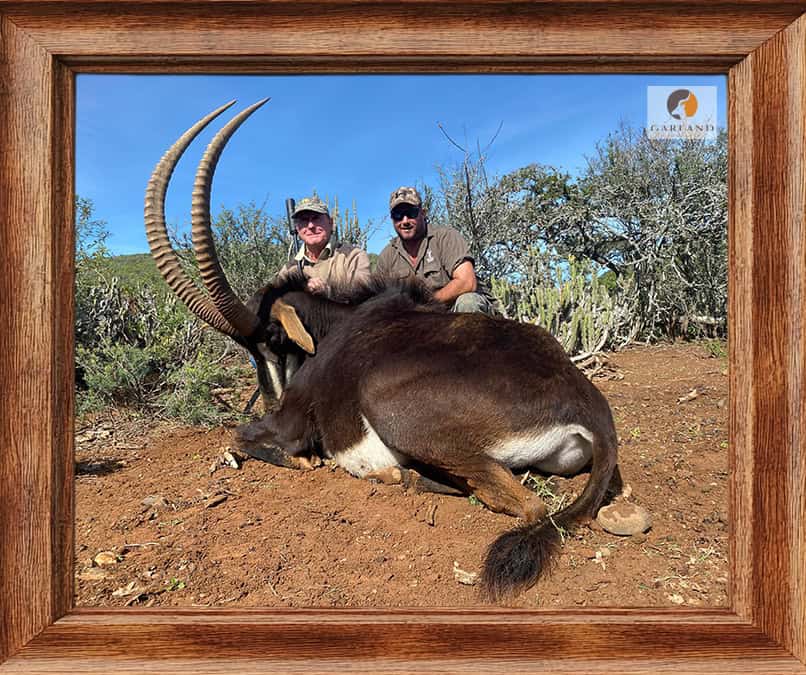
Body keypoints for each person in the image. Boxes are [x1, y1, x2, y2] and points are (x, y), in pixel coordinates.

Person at [376, 186, 498, 314]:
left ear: (423, 213)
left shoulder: (446, 237)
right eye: (398, 215)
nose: (405, 220)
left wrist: (424, 305)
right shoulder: (387, 256)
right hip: (416, 321)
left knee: (468, 302)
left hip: (453, 312)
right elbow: (379, 302)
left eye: (411, 213)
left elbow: (467, 282)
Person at [275, 195, 371, 301]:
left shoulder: (353, 256)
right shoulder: (289, 269)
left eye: (316, 218)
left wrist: (329, 292)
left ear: (330, 222)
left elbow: (364, 298)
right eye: (304, 220)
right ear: (297, 228)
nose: (310, 226)